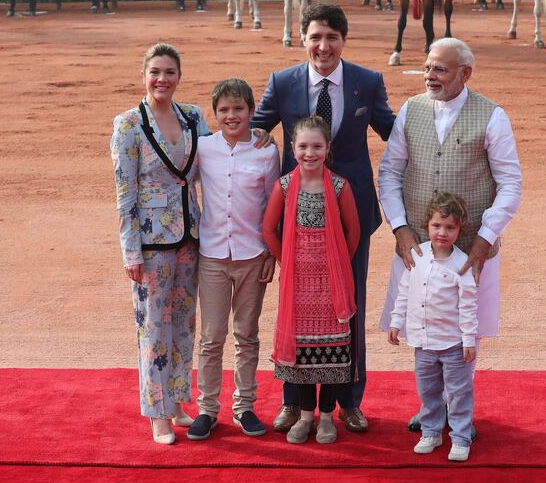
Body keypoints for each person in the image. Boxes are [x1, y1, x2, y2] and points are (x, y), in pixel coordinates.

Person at [110, 44, 272, 445]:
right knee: (152, 327)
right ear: (143, 75)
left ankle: (180, 403)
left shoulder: (193, 117)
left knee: (184, 324)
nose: (162, 79)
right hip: (149, 243)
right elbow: (124, 192)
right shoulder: (128, 124)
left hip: (192, 240)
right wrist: (130, 250)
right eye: (155, 72)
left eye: (169, 72)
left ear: (179, 76)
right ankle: (157, 414)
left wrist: (260, 133)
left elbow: (225, 147)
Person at [251, 3, 396, 433]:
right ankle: (293, 404)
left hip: (350, 218)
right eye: (316, 36)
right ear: (303, 39)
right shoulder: (283, 82)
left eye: (332, 37)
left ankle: (348, 402)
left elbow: (393, 130)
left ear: (343, 41)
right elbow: (254, 128)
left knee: (346, 308)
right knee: (296, 310)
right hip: (297, 219)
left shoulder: (367, 83)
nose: (323, 45)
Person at [377, 37, 522, 433]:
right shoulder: (411, 109)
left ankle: (458, 414)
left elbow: (510, 183)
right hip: (418, 250)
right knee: (423, 328)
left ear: (465, 73)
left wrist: (484, 238)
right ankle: (432, 410)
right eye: (427, 67)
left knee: (463, 332)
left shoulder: (492, 116)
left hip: (471, 247)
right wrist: (401, 228)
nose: (429, 76)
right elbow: (389, 173)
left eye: (439, 69)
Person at [187, 78, 280, 441]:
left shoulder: (265, 151)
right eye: (224, 110)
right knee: (211, 338)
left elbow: (274, 203)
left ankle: (244, 406)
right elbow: (183, 182)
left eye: (238, 109)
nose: (231, 115)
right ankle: (207, 409)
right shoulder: (203, 148)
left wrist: (271, 251)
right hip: (211, 255)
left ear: (251, 112)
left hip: (252, 255)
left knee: (247, 336)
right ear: (215, 114)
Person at [262, 116, 361, 444]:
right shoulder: (285, 186)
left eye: (317, 146)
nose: (310, 152)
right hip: (298, 286)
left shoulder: (339, 186)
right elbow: (268, 229)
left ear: (327, 148)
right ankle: (305, 417)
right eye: (303, 146)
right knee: (304, 355)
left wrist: (336, 265)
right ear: (293, 148)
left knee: (331, 352)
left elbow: (354, 231)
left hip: (331, 285)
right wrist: (286, 262)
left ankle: (328, 418)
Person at [387, 193, 477, 462]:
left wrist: (469, 339)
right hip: (423, 343)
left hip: (453, 344)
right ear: (427, 225)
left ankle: (460, 438)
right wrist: (395, 322)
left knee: (459, 392)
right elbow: (404, 291)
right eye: (437, 225)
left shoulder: (462, 264)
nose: (442, 232)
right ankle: (431, 432)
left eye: (450, 227)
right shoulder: (417, 255)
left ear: (459, 230)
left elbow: (469, 305)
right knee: (428, 390)